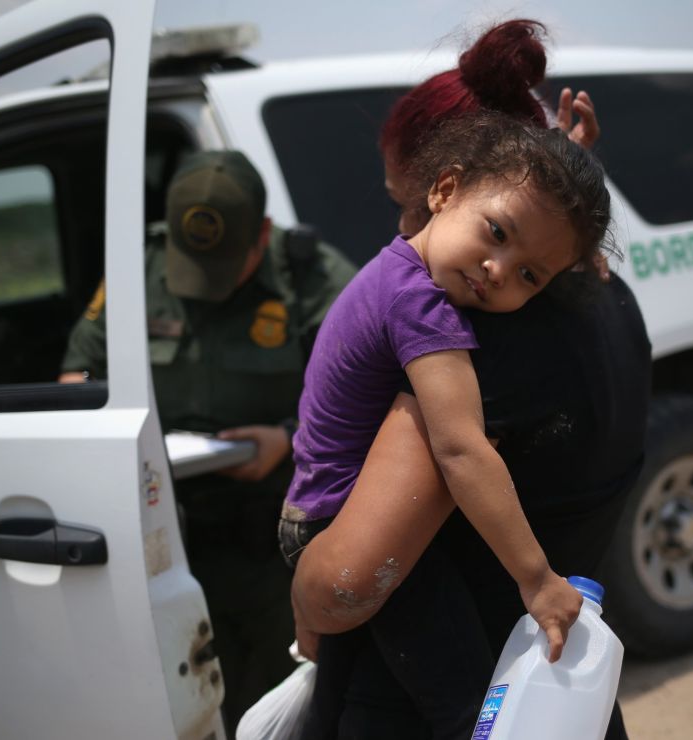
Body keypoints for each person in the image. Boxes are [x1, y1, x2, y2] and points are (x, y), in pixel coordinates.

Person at [284, 19, 649, 739]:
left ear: (444, 185)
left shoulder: (458, 320)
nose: (497, 275)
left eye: (529, 270)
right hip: (546, 671)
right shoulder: (604, 298)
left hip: (420, 624)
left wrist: (308, 610)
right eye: (497, 237)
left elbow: (357, 573)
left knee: (460, 714)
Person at [59, 149, 357, 729]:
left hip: (276, 555)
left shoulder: (314, 279)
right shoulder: (139, 268)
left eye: (226, 266)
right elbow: (76, 376)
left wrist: (286, 439)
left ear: (262, 236)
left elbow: (370, 404)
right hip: (161, 544)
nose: (206, 289)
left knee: (278, 717)